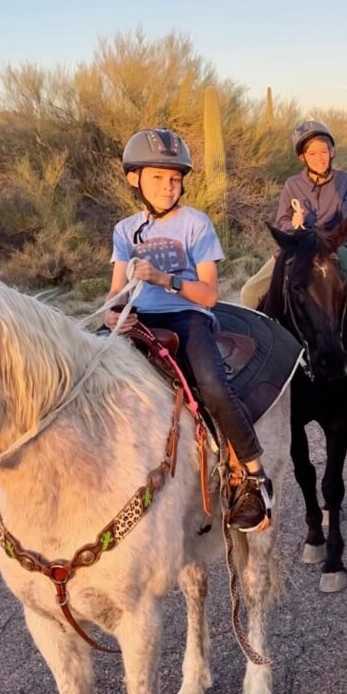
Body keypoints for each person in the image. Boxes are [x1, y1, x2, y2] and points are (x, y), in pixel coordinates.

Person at [105, 128, 273, 531]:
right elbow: (114, 292)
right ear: (135, 179)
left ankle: (254, 476)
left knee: (214, 387)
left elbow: (210, 295)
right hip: (139, 319)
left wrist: (166, 280)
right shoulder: (125, 231)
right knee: (92, 379)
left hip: (188, 316)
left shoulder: (196, 224)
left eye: (175, 178)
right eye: (159, 178)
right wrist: (112, 315)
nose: (169, 186)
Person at [239, 119, 347, 370]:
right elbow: (282, 222)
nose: (319, 157)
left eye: (324, 151)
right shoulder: (292, 185)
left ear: (332, 152)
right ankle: (264, 352)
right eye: (312, 153)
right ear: (302, 157)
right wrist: (292, 224)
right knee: (249, 293)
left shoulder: (345, 182)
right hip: (297, 246)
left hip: (332, 245)